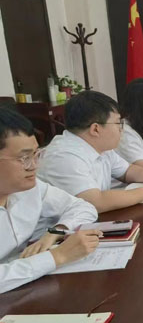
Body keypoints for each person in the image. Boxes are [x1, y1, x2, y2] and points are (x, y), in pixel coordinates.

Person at [0, 107, 99, 294]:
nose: (34, 166)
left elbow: (83, 207)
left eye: (36, 155)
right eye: (24, 158)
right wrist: (56, 257)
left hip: (24, 290)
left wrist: (55, 231)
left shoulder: (30, 188)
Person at [37, 91, 143, 213]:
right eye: (117, 123)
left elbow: (126, 171)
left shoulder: (100, 146)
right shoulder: (64, 156)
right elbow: (95, 202)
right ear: (95, 129)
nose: (121, 129)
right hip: (57, 231)